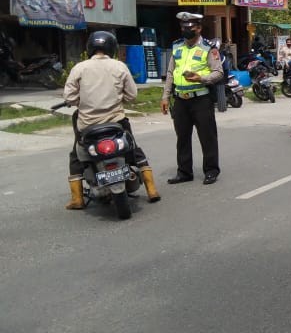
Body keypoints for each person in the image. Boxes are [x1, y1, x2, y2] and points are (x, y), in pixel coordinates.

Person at [62, 30, 161, 209]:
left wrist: (81, 101)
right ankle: (151, 189)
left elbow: (69, 97)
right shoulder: (119, 66)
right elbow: (132, 95)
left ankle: (77, 199)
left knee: (76, 156)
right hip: (116, 123)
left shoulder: (79, 68)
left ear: (90, 47)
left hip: (88, 125)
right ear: (112, 48)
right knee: (134, 149)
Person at [161, 12, 224, 184]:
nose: (186, 31)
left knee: (207, 137)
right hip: (180, 100)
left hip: (201, 99)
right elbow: (170, 73)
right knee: (182, 138)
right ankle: (184, 172)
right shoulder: (177, 46)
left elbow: (218, 72)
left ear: (199, 28)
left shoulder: (208, 48)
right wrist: (165, 96)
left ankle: (211, 170)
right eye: (183, 28)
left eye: (190, 28)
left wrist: (201, 78)